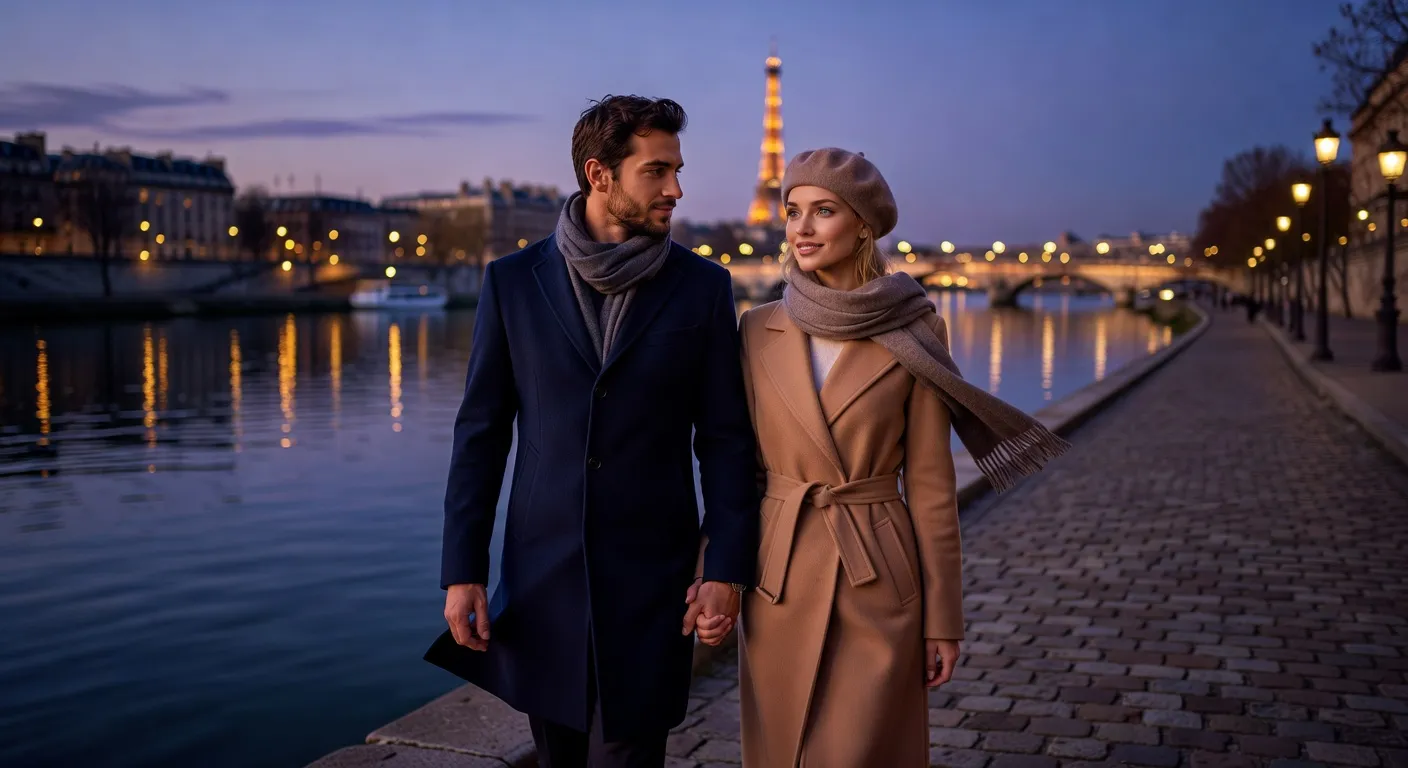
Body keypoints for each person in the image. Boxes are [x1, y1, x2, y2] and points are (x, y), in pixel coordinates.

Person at [424, 95, 759, 768]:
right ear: (599, 173)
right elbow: (482, 436)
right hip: (543, 581)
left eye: (677, 169)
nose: (675, 188)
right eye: (656, 171)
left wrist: (726, 568)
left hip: (654, 585)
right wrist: (462, 571)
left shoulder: (701, 288)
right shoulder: (512, 284)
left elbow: (725, 443)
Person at [732, 148, 1070, 767]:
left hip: (876, 576)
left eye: (823, 211)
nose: (801, 229)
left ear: (862, 224)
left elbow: (933, 489)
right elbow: (737, 474)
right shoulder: (756, 329)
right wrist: (716, 571)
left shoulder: (916, 333)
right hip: (776, 576)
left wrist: (944, 619)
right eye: (792, 212)